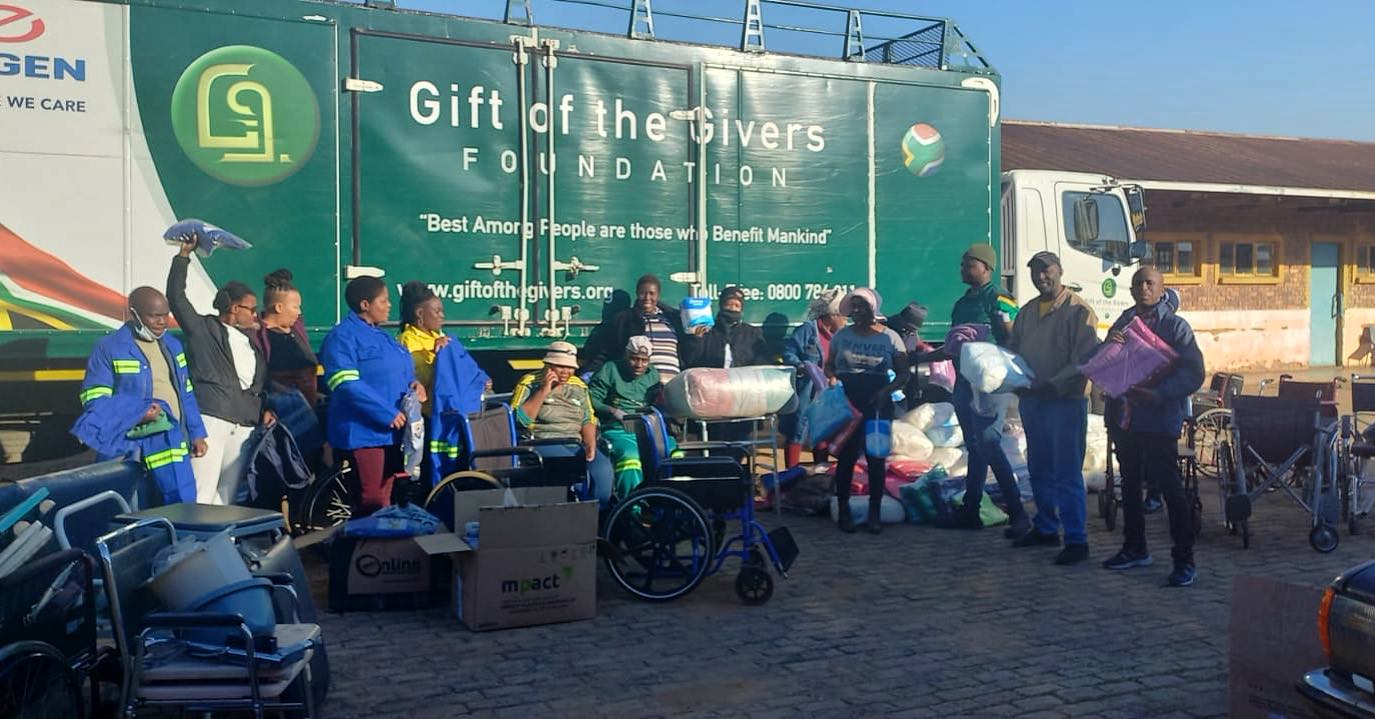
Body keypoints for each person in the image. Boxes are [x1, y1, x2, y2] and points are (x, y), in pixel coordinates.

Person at [1098, 267, 1205, 587]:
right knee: (1129, 484)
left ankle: (1184, 560)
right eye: (1138, 284)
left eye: (1150, 284)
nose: (1144, 289)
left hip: (1158, 419)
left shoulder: (1176, 327)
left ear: (1161, 290)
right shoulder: (1124, 322)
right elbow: (1107, 361)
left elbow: (1194, 373)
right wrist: (1108, 346)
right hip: (1125, 417)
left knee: (1170, 489)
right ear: (1131, 290)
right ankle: (1135, 548)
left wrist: (1161, 393)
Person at [71, 287, 208, 503]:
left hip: (170, 437)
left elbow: (186, 391)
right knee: (130, 504)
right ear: (134, 314)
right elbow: (94, 399)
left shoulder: (173, 345)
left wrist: (196, 432)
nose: (162, 321)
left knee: (178, 501)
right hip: (130, 442)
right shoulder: (109, 348)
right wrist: (136, 413)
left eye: (165, 315)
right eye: (155, 316)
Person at [1007, 251, 1100, 565]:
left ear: (1059, 271)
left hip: (1064, 402)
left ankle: (1077, 539)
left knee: (1067, 472)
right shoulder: (1028, 311)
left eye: (1046, 270)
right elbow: (1014, 350)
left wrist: (1053, 384)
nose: (1041, 277)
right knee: (1039, 468)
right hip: (1033, 401)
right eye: (1035, 272)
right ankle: (1046, 527)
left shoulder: (1079, 312)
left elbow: (1085, 360)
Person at [167, 238, 270, 505]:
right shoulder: (203, 329)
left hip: (244, 423)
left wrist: (264, 409)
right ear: (235, 308)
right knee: (202, 490)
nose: (256, 315)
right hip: (213, 418)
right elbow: (176, 298)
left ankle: (224, 543)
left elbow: (255, 384)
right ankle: (196, 542)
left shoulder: (249, 340)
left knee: (228, 494)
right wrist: (183, 256)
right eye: (252, 308)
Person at [939, 244, 1029, 534]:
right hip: (964, 382)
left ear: (986, 268)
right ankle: (971, 509)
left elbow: (1011, 337)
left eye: (969, 264)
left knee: (989, 444)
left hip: (989, 384)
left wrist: (997, 332)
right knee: (975, 447)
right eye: (963, 264)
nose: (963, 269)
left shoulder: (1001, 297)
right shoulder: (963, 302)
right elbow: (954, 344)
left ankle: (1017, 513)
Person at [319, 276, 425, 516]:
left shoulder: (383, 336)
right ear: (365, 304)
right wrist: (385, 412)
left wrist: (415, 384)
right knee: (371, 500)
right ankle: (362, 550)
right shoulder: (342, 337)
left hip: (394, 433)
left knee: (387, 497)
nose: (389, 306)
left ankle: (382, 549)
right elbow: (344, 383)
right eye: (383, 301)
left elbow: (402, 371)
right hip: (364, 433)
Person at [825, 288, 909, 534]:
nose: (858, 311)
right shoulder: (841, 336)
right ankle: (844, 512)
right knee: (847, 456)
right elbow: (829, 365)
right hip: (848, 404)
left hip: (879, 403)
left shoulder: (891, 337)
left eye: (863, 306)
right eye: (855, 307)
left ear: (874, 309)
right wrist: (831, 378)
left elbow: (903, 374)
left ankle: (874, 514)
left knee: (876, 458)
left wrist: (886, 392)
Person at [511, 341, 614, 505]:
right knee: (573, 468)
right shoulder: (529, 382)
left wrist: (590, 444)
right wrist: (543, 390)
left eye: (570, 367)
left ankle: (598, 516)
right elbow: (520, 421)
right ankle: (574, 512)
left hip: (574, 441)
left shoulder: (578, 385)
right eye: (560, 367)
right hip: (542, 441)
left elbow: (588, 418)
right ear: (548, 365)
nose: (566, 371)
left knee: (603, 469)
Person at [397, 281, 491, 417]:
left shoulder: (439, 335)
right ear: (420, 313)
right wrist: (438, 355)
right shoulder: (408, 339)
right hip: (426, 414)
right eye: (437, 311)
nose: (442, 316)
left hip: (446, 409)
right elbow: (418, 379)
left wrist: (480, 379)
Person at [588, 336, 662, 499]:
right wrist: (612, 410)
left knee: (674, 452)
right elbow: (590, 398)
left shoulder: (653, 374)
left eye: (644, 360)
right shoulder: (610, 369)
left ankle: (671, 503)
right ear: (625, 355)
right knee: (631, 457)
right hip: (617, 429)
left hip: (647, 428)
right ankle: (633, 505)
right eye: (634, 359)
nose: (639, 365)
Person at [781, 289, 845, 468]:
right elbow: (789, 353)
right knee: (798, 430)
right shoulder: (808, 330)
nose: (846, 320)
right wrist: (802, 366)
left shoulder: (841, 337)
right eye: (843, 316)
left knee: (824, 431)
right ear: (832, 314)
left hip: (829, 392)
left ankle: (821, 473)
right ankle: (791, 475)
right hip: (807, 390)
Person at [581, 274, 684, 385]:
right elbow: (607, 350)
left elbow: (687, 353)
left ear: (658, 295)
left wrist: (696, 338)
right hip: (639, 388)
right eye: (642, 293)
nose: (647, 298)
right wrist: (590, 372)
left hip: (672, 384)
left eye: (652, 293)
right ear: (636, 293)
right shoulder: (624, 320)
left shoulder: (673, 319)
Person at [256, 269, 319, 407]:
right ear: (279, 307)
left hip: (308, 407)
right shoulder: (258, 336)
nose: (299, 312)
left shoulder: (296, 329)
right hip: (279, 410)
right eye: (295, 307)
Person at [681, 286, 770, 369]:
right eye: (728, 304)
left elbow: (762, 364)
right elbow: (690, 361)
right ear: (721, 305)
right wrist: (695, 340)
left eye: (737, 305)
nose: (732, 309)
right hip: (711, 382)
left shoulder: (752, 334)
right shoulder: (707, 330)